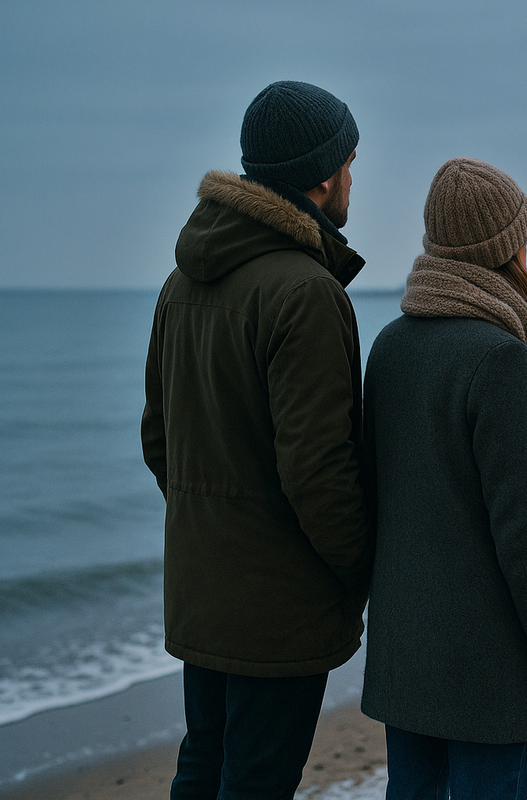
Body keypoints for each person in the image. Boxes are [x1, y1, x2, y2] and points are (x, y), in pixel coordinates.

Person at [141, 80, 373, 800]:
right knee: (256, 783)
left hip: (203, 591)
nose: (354, 178)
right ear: (323, 175)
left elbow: (158, 441)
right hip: (279, 611)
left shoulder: (181, 282)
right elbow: (319, 471)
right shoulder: (305, 291)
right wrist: (360, 570)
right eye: (350, 162)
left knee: (202, 766)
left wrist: (213, 529)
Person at [360, 157, 527, 799]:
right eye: (523, 239)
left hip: (406, 661)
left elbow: (376, 503)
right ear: (503, 250)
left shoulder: (390, 346)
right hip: (489, 673)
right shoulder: (498, 358)